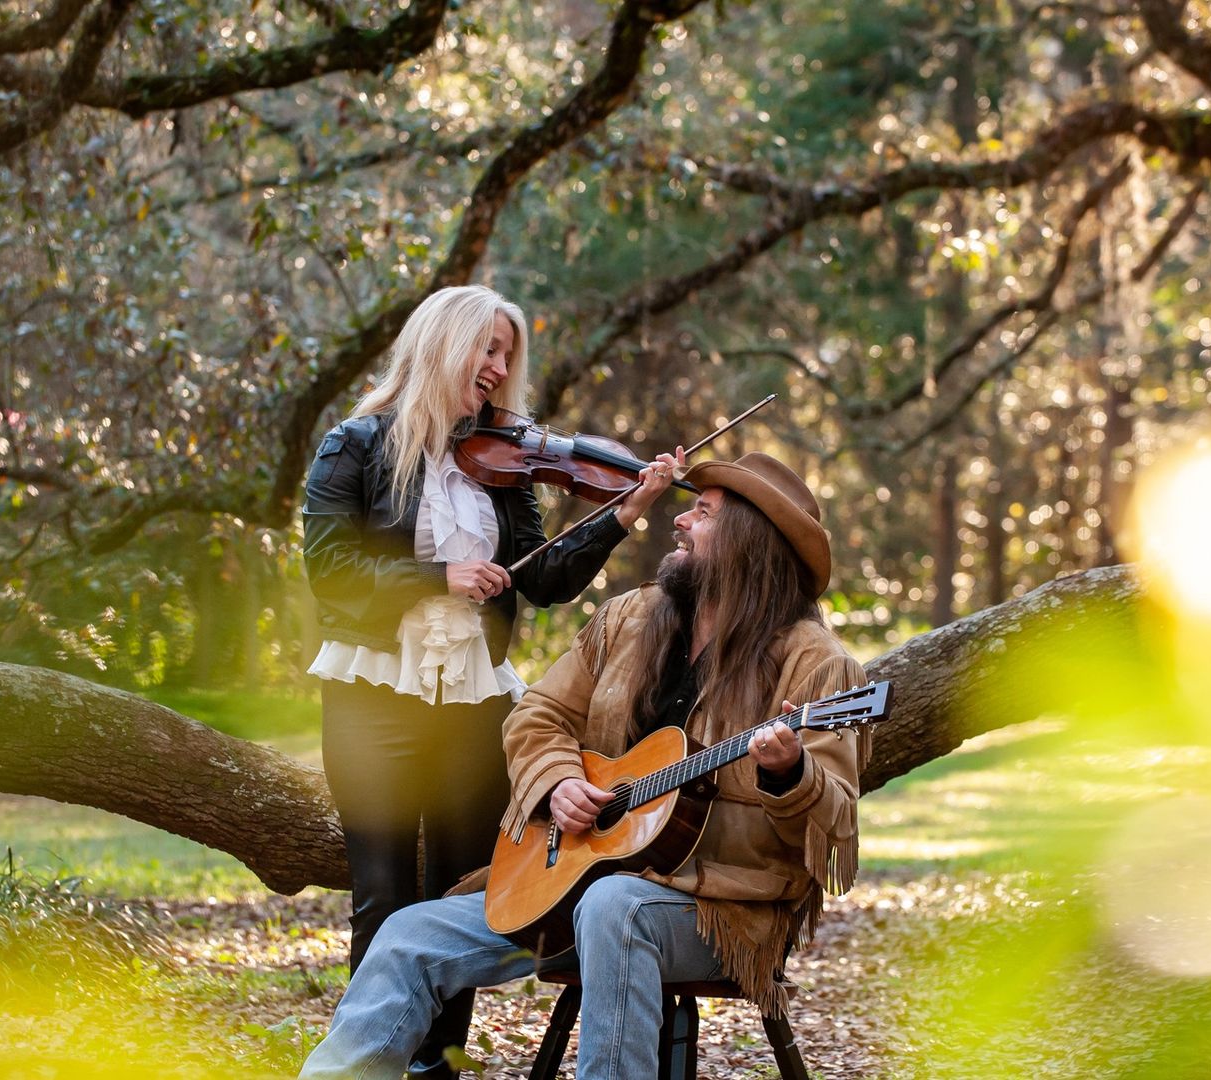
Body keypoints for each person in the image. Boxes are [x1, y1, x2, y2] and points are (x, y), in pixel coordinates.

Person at [300, 451, 868, 1080]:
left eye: (702, 514)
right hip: (574, 880)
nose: (679, 521)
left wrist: (789, 772)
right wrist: (560, 781)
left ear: (748, 543)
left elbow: (832, 823)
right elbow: (537, 714)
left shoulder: (816, 665)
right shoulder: (630, 618)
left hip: (722, 907)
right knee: (411, 933)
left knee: (616, 907)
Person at [301, 284, 680, 1075]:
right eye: (489, 349)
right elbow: (329, 572)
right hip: (375, 697)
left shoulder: (502, 469)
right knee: (379, 894)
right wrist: (438, 577)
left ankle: (438, 1065)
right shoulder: (357, 445)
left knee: (455, 895)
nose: (499, 368)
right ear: (445, 344)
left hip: (475, 704)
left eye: (507, 355)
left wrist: (624, 511)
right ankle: (373, 1065)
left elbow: (545, 580)